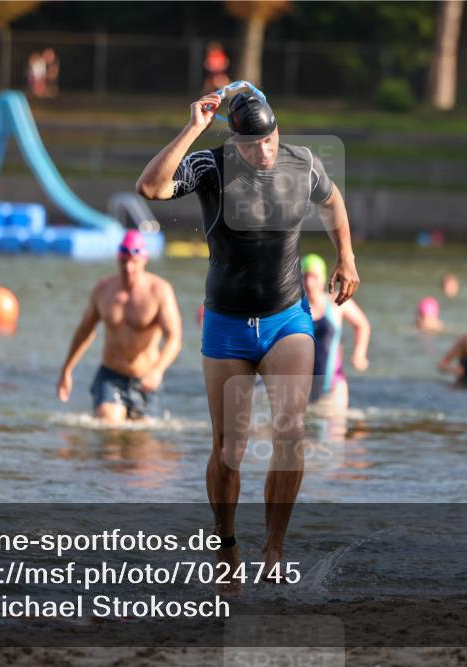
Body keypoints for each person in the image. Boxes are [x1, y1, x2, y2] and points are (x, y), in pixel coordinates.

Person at [135, 88, 360, 588]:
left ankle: (275, 549)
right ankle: (227, 541)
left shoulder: (302, 163)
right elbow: (151, 188)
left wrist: (345, 256)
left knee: (291, 433)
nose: (265, 152)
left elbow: (333, 200)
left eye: (271, 139)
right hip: (227, 326)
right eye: (253, 144)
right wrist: (194, 125)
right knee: (227, 449)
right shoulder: (210, 166)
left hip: (286, 319)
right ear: (234, 141)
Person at [56, 231, 182, 424]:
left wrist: (158, 370)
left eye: (134, 262)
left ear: (144, 260)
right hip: (111, 375)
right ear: (118, 259)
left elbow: (174, 338)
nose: (128, 268)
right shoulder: (104, 290)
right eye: (124, 262)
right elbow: (84, 331)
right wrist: (67, 369)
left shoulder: (160, 291)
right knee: (110, 429)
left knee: (143, 446)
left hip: (146, 378)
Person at [301, 253, 370, 409]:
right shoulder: (294, 308)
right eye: (305, 277)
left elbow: (362, 325)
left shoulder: (336, 302)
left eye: (314, 277)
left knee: (333, 430)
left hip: (333, 387)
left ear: (324, 278)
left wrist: (359, 354)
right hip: (301, 389)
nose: (309, 282)